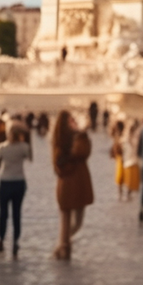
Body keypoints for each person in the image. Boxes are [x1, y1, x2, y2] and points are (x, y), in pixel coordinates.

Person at [51, 110, 94, 260]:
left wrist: (81, 134)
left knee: (76, 222)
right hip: (67, 187)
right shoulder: (61, 142)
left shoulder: (77, 138)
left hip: (78, 186)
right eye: (71, 120)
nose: (74, 122)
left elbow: (84, 152)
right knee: (68, 222)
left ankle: (62, 246)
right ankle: (62, 248)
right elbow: (61, 164)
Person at [0, 120, 32, 258]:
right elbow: (30, 157)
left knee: (3, 213)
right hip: (19, 182)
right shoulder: (23, 147)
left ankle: (1, 240)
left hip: (5, 182)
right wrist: (28, 137)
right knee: (17, 214)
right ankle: (15, 242)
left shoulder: (2, 147)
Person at [122, 120, 141, 202]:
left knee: (131, 179)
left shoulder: (133, 138)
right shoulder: (128, 139)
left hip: (131, 160)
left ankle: (128, 193)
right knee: (129, 179)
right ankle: (127, 193)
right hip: (130, 160)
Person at [110, 120, 125, 200]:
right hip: (120, 157)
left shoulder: (122, 135)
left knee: (121, 175)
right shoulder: (117, 135)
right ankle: (121, 193)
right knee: (120, 176)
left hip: (123, 156)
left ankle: (121, 193)